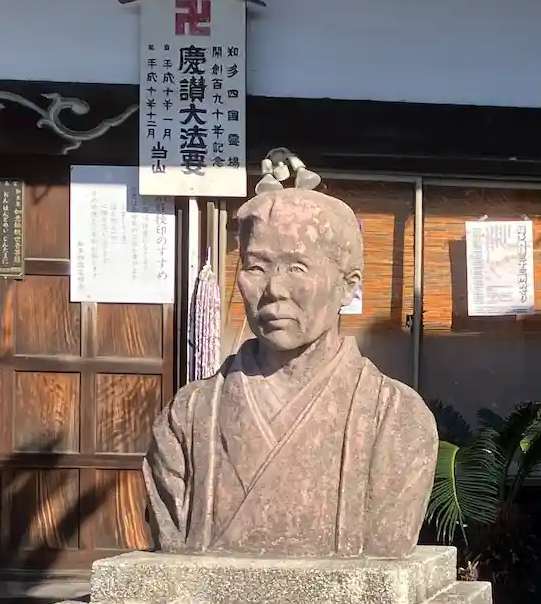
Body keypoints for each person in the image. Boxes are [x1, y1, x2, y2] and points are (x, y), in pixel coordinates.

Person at [144, 164, 437, 558]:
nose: (274, 289)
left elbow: (387, 544)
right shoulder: (188, 415)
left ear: (347, 286)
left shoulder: (398, 419)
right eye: (256, 267)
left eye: (297, 267)